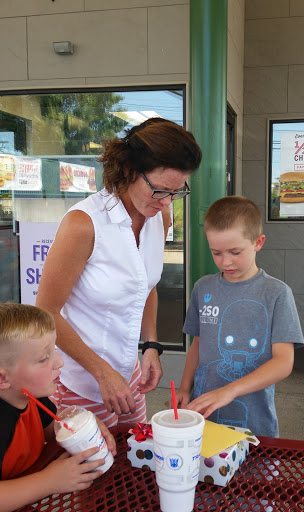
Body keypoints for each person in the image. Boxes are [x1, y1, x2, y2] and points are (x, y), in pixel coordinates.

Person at [36, 118, 202, 429]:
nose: (167, 202)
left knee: (135, 462)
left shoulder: (159, 216)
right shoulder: (84, 224)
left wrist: (151, 344)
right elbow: (46, 312)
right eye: (159, 190)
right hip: (82, 381)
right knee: (90, 471)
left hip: (129, 377)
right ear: (127, 169)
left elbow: (146, 284)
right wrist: (101, 371)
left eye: (176, 192)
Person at [174, 196, 304, 437]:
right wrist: (184, 387)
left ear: (258, 242)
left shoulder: (277, 293)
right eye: (216, 253)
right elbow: (198, 343)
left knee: (252, 474)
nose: (226, 262)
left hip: (254, 423)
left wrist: (230, 390)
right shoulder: (203, 288)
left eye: (235, 252)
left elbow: (283, 362)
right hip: (203, 417)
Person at [0, 303, 117, 512]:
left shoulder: (33, 398)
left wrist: (81, 431)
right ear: (2, 377)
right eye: (44, 358)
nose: (60, 362)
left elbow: (51, 430)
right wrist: (48, 482)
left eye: (54, 350)